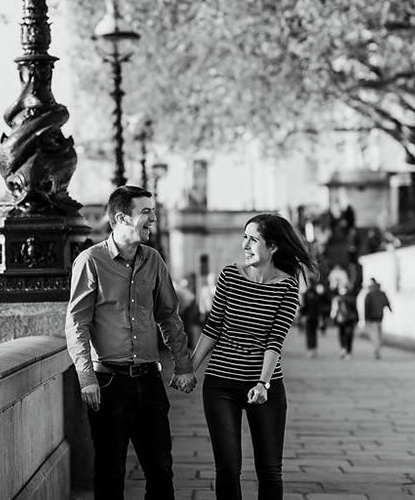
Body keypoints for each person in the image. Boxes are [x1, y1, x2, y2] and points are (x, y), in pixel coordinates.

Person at [65, 185, 196, 500]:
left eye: (152, 211)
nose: (153, 218)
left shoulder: (153, 260)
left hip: (149, 381)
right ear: (122, 217)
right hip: (109, 384)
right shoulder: (90, 262)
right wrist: (86, 379)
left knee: (162, 470)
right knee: (110, 474)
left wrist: (183, 365)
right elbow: (77, 323)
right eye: (146, 212)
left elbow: (169, 315)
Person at [189, 212, 316, 500]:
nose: (245, 244)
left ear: (273, 247)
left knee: (270, 471)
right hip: (220, 384)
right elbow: (213, 327)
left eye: (253, 239)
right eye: (244, 237)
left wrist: (263, 383)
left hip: (264, 386)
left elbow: (275, 340)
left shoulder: (287, 286)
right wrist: (189, 368)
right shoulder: (230, 275)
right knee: (228, 470)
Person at [363, 278, 393, 359]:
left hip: (372, 318)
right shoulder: (382, 293)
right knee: (378, 334)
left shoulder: (369, 295)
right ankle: (378, 348)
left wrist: (366, 319)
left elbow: (366, 307)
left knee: (375, 335)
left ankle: (376, 349)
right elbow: (387, 302)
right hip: (380, 316)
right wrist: (390, 310)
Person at [331, 283, 359, 359]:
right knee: (349, 335)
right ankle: (348, 351)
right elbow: (355, 309)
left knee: (342, 334)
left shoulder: (337, 298)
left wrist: (333, 318)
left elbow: (334, 310)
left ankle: (343, 349)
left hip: (342, 319)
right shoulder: (352, 298)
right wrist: (357, 318)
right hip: (350, 319)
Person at [298, 284, 321, 358]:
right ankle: (313, 349)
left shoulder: (306, 294)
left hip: (309, 317)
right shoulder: (316, 294)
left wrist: (302, 315)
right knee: (313, 333)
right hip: (314, 317)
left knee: (310, 334)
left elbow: (303, 306)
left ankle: (311, 349)